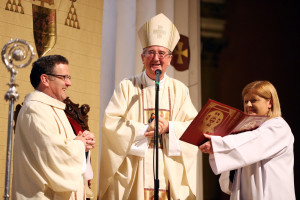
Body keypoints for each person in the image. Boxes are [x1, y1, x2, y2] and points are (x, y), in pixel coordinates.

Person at [99, 13, 198, 199]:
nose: (156, 58)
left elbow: (194, 128)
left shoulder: (180, 90)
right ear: (142, 57)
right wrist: (145, 129)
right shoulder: (127, 87)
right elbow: (110, 125)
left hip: (168, 171)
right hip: (136, 171)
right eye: (151, 52)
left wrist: (170, 127)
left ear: (169, 58)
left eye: (162, 53)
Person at [12, 55, 96, 200]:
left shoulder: (53, 108)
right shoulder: (35, 109)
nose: (69, 83)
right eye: (64, 77)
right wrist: (80, 144)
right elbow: (53, 155)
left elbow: (62, 147)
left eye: (69, 77)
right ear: (45, 79)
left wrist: (84, 144)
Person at [199, 80, 295, 200]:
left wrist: (218, 144)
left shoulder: (278, 127)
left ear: (269, 102)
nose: (248, 105)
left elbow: (254, 141)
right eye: (245, 101)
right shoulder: (247, 131)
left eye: (254, 100)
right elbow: (228, 185)